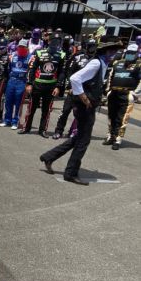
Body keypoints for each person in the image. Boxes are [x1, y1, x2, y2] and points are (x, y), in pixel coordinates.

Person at [39, 37, 122, 185]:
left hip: (88, 107)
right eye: (114, 50)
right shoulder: (97, 63)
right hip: (84, 107)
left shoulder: (103, 63)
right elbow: (75, 78)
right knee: (83, 141)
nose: (116, 53)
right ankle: (70, 173)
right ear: (107, 51)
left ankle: (49, 156)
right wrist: (84, 97)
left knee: (79, 139)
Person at [19, 33, 66, 137]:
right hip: (37, 85)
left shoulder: (61, 55)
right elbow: (32, 69)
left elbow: (62, 72)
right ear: (49, 41)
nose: (56, 43)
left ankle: (42, 130)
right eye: (54, 40)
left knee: (47, 110)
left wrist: (58, 86)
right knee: (31, 108)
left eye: (58, 41)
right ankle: (26, 127)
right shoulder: (39, 52)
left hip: (51, 87)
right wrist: (29, 83)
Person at [52, 39, 95, 139]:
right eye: (90, 45)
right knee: (65, 111)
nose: (91, 48)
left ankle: (74, 132)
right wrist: (71, 86)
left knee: (80, 114)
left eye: (93, 45)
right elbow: (69, 72)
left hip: (86, 92)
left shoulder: (95, 60)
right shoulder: (78, 57)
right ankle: (59, 131)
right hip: (74, 90)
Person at [103, 43, 140, 150]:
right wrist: (108, 91)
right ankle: (110, 136)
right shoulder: (117, 62)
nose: (130, 55)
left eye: (132, 53)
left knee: (122, 118)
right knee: (111, 116)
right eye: (128, 53)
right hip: (114, 93)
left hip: (127, 95)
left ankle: (118, 139)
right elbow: (111, 76)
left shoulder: (138, 65)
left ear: (136, 53)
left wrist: (135, 93)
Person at [0, 39, 30, 129]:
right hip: (11, 80)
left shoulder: (30, 57)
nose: (20, 48)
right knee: (8, 101)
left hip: (21, 81)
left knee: (18, 103)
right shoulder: (13, 55)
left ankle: (15, 122)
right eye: (19, 46)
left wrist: (28, 84)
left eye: (23, 47)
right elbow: (8, 68)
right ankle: (7, 120)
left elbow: (30, 71)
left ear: (26, 48)